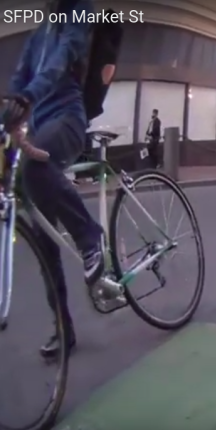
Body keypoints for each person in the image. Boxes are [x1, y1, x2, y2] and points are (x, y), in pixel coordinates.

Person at [3, 0, 106, 358]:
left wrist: (28, 98)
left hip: (67, 117)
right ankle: (63, 328)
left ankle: (90, 237)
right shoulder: (38, 31)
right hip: (39, 126)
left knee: (37, 168)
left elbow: (62, 59)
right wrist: (9, 107)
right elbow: (20, 77)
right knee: (42, 233)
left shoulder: (79, 13)